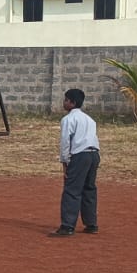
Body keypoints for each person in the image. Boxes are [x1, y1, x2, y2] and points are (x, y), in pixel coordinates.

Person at [50, 88, 99, 236]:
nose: (64, 102)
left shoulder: (68, 119)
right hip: (94, 154)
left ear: (72, 103)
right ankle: (91, 224)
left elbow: (65, 142)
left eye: (66, 100)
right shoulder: (90, 119)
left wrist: (65, 162)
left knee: (72, 189)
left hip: (80, 155)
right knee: (89, 188)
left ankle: (67, 226)